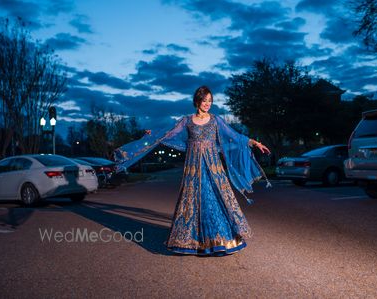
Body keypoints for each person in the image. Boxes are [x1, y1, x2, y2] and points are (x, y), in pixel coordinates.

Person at [113, 85, 272, 256]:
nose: (208, 104)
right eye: (205, 101)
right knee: (193, 199)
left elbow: (234, 135)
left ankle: (219, 240)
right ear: (197, 101)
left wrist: (255, 143)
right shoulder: (187, 121)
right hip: (193, 167)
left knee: (215, 198)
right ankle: (190, 240)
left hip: (213, 166)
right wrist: (154, 135)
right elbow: (169, 133)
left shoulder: (216, 120)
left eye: (210, 101)